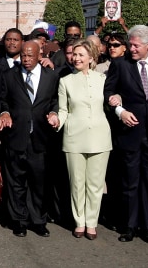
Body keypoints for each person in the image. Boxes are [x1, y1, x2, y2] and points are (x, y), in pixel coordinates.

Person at [104, 25, 148, 244]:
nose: (131, 49)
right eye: (130, 44)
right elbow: (109, 92)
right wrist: (120, 111)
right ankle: (129, 226)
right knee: (130, 182)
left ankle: (147, 226)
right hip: (129, 132)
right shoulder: (120, 65)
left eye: (135, 45)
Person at [47, 40, 111, 240]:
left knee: (95, 184)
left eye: (81, 55)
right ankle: (79, 221)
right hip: (74, 137)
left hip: (100, 136)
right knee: (77, 183)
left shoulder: (102, 78)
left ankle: (92, 222)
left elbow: (110, 103)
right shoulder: (66, 81)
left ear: (91, 58)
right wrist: (56, 120)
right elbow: (64, 109)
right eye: (74, 55)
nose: (76, 58)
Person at [0, 40, 59, 238]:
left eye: (30, 56)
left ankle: (38, 220)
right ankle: (19, 220)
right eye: (23, 55)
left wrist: (54, 113)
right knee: (16, 181)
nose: (26, 59)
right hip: (16, 137)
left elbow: (55, 100)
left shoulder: (51, 76)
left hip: (41, 138)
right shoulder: (9, 76)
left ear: (39, 55)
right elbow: (2, 99)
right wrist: (5, 112)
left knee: (39, 181)